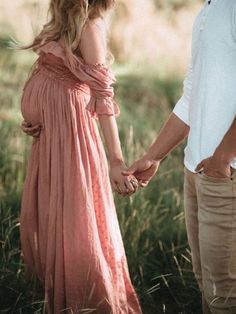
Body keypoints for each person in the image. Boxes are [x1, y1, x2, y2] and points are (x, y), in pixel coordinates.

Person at [19, 0, 143, 313]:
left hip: (70, 132)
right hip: (52, 134)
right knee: (55, 203)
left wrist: (116, 160)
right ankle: (54, 282)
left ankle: (85, 296)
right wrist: (36, 109)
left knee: (74, 205)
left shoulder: (89, 25)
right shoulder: (69, 17)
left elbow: (103, 96)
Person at [123, 0, 236, 313]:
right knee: (207, 285)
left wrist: (223, 158)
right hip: (196, 170)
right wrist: (153, 156)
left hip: (226, 176)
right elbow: (191, 94)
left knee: (225, 294)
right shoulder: (207, 11)